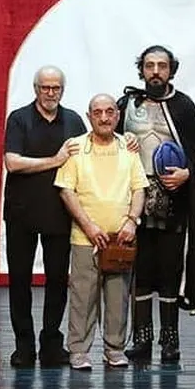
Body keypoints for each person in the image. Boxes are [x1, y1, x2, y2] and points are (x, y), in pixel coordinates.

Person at [116, 44, 195, 363]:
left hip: (173, 199)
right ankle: (142, 339)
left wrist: (187, 173)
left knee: (170, 270)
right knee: (140, 270)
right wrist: (122, 145)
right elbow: (108, 144)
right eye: (150, 65)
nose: (155, 71)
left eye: (162, 66)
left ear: (172, 70)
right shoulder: (126, 105)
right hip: (136, 198)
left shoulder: (184, 106)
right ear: (141, 69)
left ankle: (170, 340)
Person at [55, 93, 147, 371]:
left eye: (109, 112)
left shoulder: (128, 148)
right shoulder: (75, 148)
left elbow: (139, 189)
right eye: (98, 112)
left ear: (117, 116)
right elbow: (66, 191)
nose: (104, 117)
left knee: (118, 297)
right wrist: (88, 226)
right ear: (89, 116)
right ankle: (79, 351)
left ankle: (114, 349)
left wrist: (131, 221)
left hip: (121, 238)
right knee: (82, 297)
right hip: (85, 237)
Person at [3, 65, 86, 367]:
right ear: (35, 89)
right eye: (45, 88)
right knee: (20, 281)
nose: (51, 93)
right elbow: (12, 163)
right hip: (21, 213)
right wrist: (55, 160)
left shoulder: (74, 120)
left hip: (59, 212)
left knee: (57, 281)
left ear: (62, 90)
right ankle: (23, 346)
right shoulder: (19, 119)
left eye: (56, 88)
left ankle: (51, 343)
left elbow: (87, 159)